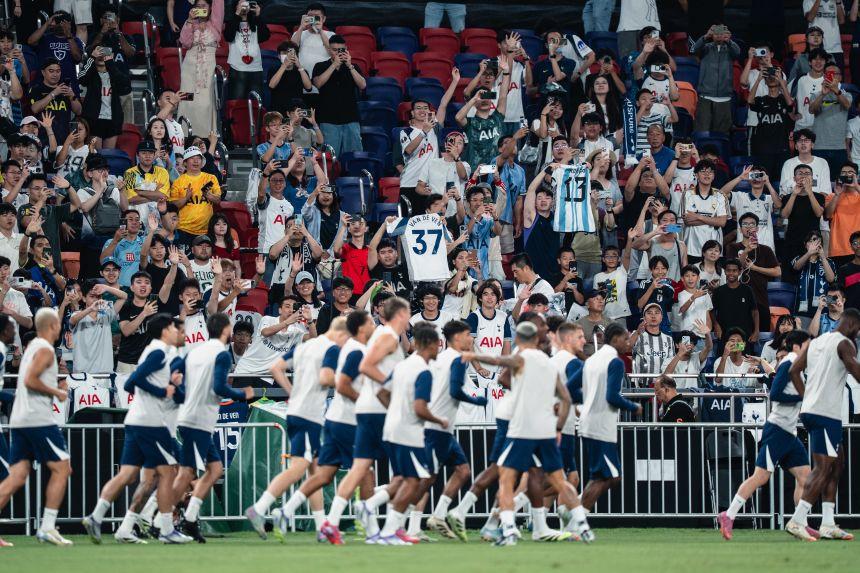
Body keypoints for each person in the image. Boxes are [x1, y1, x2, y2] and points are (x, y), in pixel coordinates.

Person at [463, 320, 593, 546]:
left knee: (506, 478)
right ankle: (583, 526)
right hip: (546, 429)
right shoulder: (548, 362)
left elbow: (498, 360)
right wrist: (560, 428)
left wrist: (474, 356)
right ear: (536, 338)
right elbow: (565, 398)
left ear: (519, 340)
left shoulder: (522, 356)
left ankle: (510, 529)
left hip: (523, 429)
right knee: (561, 480)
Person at [81, 313, 189, 545]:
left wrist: (171, 386)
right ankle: (167, 528)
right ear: (164, 331)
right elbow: (131, 382)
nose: (177, 331)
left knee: (128, 475)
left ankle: (102, 518)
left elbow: (137, 382)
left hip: (136, 420)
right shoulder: (159, 351)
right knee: (168, 473)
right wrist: (163, 391)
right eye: (173, 327)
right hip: (150, 423)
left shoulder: (155, 351)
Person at [243, 317, 348, 539]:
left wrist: (292, 391)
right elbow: (327, 377)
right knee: (300, 467)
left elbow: (276, 368)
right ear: (342, 333)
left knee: (315, 471)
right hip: (309, 414)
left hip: (299, 411)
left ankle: (321, 527)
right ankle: (260, 508)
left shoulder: (307, 346)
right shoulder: (331, 349)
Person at [319, 297, 410, 542]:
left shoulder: (375, 340)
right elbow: (367, 369)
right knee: (408, 472)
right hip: (374, 413)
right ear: (401, 314)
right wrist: (393, 389)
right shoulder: (386, 338)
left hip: (367, 410)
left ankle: (334, 521)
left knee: (361, 469)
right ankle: (385, 522)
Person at [719, 330, 814, 540]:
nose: (811, 349)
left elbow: (775, 380)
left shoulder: (796, 363)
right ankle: (729, 514)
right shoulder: (789, 362)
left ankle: (799, 523)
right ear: (797, 347)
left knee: (805, 478)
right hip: (777, 430)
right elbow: (776, 393)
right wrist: (804, 396)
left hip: (790, 432)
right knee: (761, 477)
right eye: (808, 344)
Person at [366, 322, 447, 546]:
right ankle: (389, 530)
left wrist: (395, 411)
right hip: (408, 431)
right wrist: (439, 419)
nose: (439, 348)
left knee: (403, 479)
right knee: (415, 481)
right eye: (437, 344)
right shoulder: (423, 371)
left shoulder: (402, 364)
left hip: (392, 428)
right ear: (429, 345)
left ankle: (379, 514)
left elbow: (382, 392)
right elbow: (421, 408)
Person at [0, 308, 72, 547]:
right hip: (38, 419)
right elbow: (31, 380)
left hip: (20, 419)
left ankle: (47, 527)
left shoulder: (32, 348)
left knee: (17, 476)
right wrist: (58, 392)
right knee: (63, 469)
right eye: (58, 324)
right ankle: (48, 527)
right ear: (52, 326)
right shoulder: (45, 350)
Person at [787, 308, 860, 541]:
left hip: (814, 411)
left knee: (837, 463)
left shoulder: (816, 342)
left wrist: (806, 398)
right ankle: (798, 520)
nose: (857, 335)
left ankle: (828, 523)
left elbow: (794, 371)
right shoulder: (845, 344)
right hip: (825, 413)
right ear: (852, 324)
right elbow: (855, 372)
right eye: (857, 330)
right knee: (824, 466)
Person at [577, 323, 642, 511]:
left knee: (602, 476)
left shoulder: (591, 360)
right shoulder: (615, 362)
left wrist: (585, 403)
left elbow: (573, 387)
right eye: (626, 338)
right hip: (600, 425)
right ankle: (576, 518)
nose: (628, 343)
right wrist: (633, 406)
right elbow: (612, 396)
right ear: (615, 339)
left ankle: (575, 514)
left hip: (590, 422)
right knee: (611, 477)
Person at [725, 212, 781, 333]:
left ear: (757, 228)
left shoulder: (766, 249)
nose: (749, 227)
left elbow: (777, 272)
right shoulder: (733, 247)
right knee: (739, 336)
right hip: (737, 299)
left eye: (752, 224)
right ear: (740, 229)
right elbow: (733, 269)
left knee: (760, 335)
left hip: (760, 299)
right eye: (745, 224)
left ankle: (757, 353)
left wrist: (755, 268)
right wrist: (746, 251)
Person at [311, 35, 366, 157]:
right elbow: (318, 83)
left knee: (353, 156)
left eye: (341, 49)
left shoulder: (353, 67)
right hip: (328, 119)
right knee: (330, 157)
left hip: (351, 118)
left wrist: (350, 66)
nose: (338, 52)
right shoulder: (320, 66)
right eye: (335, 50)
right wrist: (334, 65)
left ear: (346, 49)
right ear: (329, 50)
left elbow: (362, 85)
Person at [233, 296, 312, 377]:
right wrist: (287, 322)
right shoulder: (268, 319)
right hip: (246, 370)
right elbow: (265, 332)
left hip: (267, 376)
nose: (291, 310)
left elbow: (313, 338)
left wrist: (310, 320)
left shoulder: (296, 330)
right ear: (280, 310)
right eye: (287, 306)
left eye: (294, 307)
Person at [178, 0, 224, 135]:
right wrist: (189, 20)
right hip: (189, 68)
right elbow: (185, 42)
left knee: (205, 103)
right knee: (187, 101)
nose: (201, 9)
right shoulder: (192, 24)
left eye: (204, 6)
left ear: (210, 8)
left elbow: (219, 4)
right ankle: (185, 135)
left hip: (207, 68)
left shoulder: (215, 24)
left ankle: (206, 137)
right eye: (198, 6)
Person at [456, 56, 511, 168]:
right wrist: (475, 98)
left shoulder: (497, 117)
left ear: (491, 101)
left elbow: (503, 96)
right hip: (477, 170)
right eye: (482, 97)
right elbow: (458, 118)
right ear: (475, 101)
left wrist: (505, 71)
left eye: (487, 97)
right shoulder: (471, 123)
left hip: (497, 169)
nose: (485, 100)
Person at [77, 45, 131, 149]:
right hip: (94, 120)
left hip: (113, 119)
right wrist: (91, 58)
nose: (101, 55)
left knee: (109, 156)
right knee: (96, 155)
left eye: (105, 52)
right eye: (99, 52)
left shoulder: (115, 72)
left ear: (112, 55)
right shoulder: (91, 73)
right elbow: (81, 78)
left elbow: (125, 84)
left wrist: (110, 63)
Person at [70, 280, 127, 374]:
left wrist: (106, 288)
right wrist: (91, 309)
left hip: (105, 372)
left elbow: (124, 297)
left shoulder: (106, 314)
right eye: (92, 296)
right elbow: (72, 320)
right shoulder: (77, 315)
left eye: (98, 297)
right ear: (84, 298)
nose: (96, 300)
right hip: (83, 374)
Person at [168, 147, 222, 244]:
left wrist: (209, 195)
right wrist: (186, 198)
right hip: (184, 230)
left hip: (206, 230)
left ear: (202, 162)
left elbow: (218, 200)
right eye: (192, 158)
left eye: (198, 158)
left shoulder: (211, 178)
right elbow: (173, 205)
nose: (196, 161)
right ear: (185, 163)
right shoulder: (178, 182)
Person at [780, 163, 827, 265]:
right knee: (791, 274)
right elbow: (784, 215)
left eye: (807, 173)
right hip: (792, 240)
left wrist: (809, 192)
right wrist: (794, 194)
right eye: (800, 173)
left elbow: (818, 213)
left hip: (813, 241)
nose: (804, 176)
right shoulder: (787, 197)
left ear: (812, 177)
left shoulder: (819, 197)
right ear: (794, 178)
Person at [809, 63, 852, 173]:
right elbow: (812, 110)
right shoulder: (816, 95)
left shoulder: (847, 95)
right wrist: (823, 94)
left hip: (839, 147)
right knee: (819, 182)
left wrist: (836, 90)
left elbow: (847, 105)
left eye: (834, 74)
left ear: (840, 77)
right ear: (824, 76)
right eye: (829, 74)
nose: (832, 77)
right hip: (819, 146)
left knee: (839, 181)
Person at [117, 272, 160, 373]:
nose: (143, 285)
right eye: (139, 282)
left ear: (150, 288)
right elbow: (126, 331)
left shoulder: (156, 305)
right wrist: (144, 313)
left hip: (149, 361)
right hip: (127, 362)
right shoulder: (125, 306)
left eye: (147, 283)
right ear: (131, 287)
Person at [224, 1, 269, 101]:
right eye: (241, 4)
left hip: (256, 69)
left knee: (257, 103)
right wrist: (237, 14)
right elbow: (228, 36)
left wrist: (258, 16)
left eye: (246, 4)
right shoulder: (232, 22)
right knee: (237, 102)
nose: (244, 7)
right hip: (237, 68)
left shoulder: (255, 22)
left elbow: (265, 36)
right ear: (236, 7)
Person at [792, 232, 836, 324]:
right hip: (801, 310)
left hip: (823, 310)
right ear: (805, 244)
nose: (814, 244)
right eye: (811, 241)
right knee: (802, 337)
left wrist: (823, 257)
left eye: (817, 241)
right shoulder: (799, 259)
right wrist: (809, 253)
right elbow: (796, 267)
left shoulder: (829, 262)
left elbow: (831, 279)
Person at [825, 163, 860, 265]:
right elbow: (827, 215)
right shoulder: (832, 196)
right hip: (838, 248)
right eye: (843, 173)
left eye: (850, 172)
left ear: (856, 176)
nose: (847, 175)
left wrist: (856, 186)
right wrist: (837, 194)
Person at [100, 210, 145, 287]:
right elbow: (102, 262)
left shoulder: (144, 241)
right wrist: (115, 241)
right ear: (123, 222)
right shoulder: (111, 242)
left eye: (137, 220)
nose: (134, 222)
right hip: (118, 290)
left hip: (139, 291)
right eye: (130, 219)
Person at [630, 303, 675, 380]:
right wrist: (637, 332)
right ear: (644, 317)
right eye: (649, 313)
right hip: (640, 384)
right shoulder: (637, 335)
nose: (653, 316)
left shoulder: (669, 339)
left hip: (662, 383)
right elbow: (627, 347)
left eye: (657, 313)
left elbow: (671, 363)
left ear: (661, 317)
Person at [268, 44, 313, 114]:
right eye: (285, 53)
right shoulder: (273, 69)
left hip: (296, 111)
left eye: (291, 53)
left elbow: (309, 88)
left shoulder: (301, 71)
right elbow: (271, 86)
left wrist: (300, 66)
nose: (288, 56)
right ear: (279, 56)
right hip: (278, 110)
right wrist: (284, 65)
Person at [291, 3, 335, 76]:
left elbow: (333, 53)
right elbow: (291, 49)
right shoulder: (299, 33)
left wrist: (320, 31)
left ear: (323, 19)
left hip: (323, 75)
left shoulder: (331, 35)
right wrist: (301, 27)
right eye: (310, 16)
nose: (313, 19)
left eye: (316, 17)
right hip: (302, 75)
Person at [839, 230, 860, 309]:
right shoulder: (844, 270)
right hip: (850, 315)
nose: (858, 246)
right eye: (855, 243)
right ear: (851, 246)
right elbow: (838, 294)